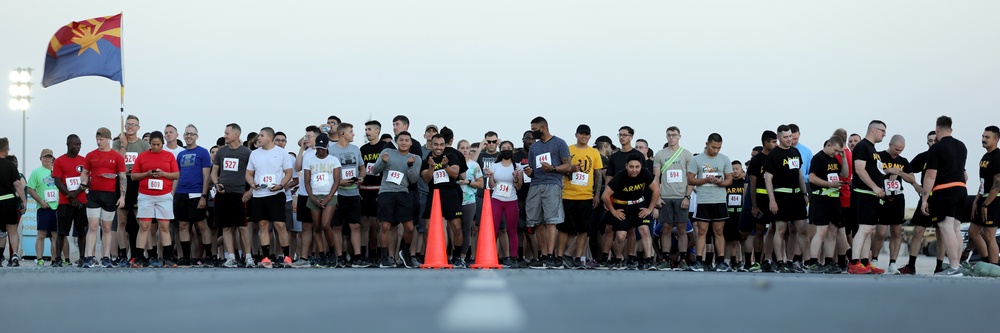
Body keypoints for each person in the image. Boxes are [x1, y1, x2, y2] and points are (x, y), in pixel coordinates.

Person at [524, 117, 577, 269]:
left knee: (551, 221)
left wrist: (553, 168)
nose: (532, 133)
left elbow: (568, 166)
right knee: (537, 221)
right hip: (535, 184)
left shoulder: (559, 143)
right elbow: (533, 170)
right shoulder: (534, 148)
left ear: (543, 128)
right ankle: (543, 255)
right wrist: (529, 172)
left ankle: (551, 256)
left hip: (552, 184)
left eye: (534, 130)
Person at [921, 116, 967, 276]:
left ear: (937, 130)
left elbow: (930, 176)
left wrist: (925, 198)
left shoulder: (936, 148)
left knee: (946, 227)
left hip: (945, 190)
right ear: (951, 129)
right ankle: (957, 265)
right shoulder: (962, 146)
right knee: (956, 228)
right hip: (961, 189)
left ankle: (954, 267)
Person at [246, 127, 295, 268]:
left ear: (269, 137)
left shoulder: (281, 153)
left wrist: (281, 185)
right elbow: (249, 173)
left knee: (280, 225)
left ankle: (287, 257)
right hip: (259, 194)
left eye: (261, 135)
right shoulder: (254, 154)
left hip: (275, 194)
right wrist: (251, 183)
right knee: (263, 225)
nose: (258, 138)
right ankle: (266, 257)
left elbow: (288, 172)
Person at [763, 125, 809, 273]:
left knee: (800, 229)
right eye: (785, 137)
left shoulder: (795, 152)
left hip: (796, 196)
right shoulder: (773, 155)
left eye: (790, 136)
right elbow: (768, 179)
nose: (789, 139)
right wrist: (772, 200)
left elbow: (799, 175)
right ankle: (780, 261)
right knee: (781, 230)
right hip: (781, 195)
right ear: (779, 138)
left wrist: (804, 193)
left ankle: (803, 261)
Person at [601, 154, 660, 270]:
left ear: (641, 166)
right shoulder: (619, 176)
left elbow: (656, 189)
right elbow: (605, 196)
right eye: (631, 167)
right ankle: (618, 259)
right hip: (622, 206)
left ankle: (648, 260)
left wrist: (650, 208)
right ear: (626, 166)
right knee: (621, 235)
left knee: (645, 229)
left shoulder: (644, 173)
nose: (634, 170)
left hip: (639, 205)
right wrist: (613, 211)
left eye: (637, 167)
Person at [372, 132, 421, 268]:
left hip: (403, 192)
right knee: (385, 226)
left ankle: (405, 254)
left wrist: (410, 166)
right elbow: (375, 170)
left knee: (410, 228)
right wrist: (383, 161)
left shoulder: (415, 158)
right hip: (386, 192)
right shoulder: (387, 151)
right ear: (396, 141)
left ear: (411, 143)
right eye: (401, 140)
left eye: (407, 140)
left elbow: (413, 179)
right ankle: (384, 258)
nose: (404, 142)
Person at [132, 131, 180, 267]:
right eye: (153, 144)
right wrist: (147, 174)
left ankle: (168, 258)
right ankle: (139, 257)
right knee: (144, 226)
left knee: (164, 227)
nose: (155, 147)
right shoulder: (142, 157)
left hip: (164, 195)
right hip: (146, 195)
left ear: (162, 144)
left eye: (158, 144)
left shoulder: (169, 156)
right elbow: (134, 176)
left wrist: (163, 174)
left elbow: (176, 174)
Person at [688, 133, 734, 272]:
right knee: (702, 232)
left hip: (719, 200)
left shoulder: (724, 159)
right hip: (703, 200)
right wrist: (706, 180)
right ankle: (699, 261)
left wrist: (721, 183)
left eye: (718, 148)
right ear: (707, 144)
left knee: (719, 232)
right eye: (713, 147)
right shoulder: (697, 159)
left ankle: (720, 261)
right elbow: (690, 180)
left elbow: (729, 179)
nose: (715, 150)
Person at [558, 125, 602, 269]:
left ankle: (578, 257)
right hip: (568, 194)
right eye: (581, 134)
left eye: (586, 135)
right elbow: (561, 170)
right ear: (576, 135)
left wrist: (597, 195)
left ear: (590, 137)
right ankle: (560, 256)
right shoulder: (568, 149)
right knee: (564, 228)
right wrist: (570, 169)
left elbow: (598, 174)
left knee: (583, 229)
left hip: (586, 196)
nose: (584, 137)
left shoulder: (594, 152)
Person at [211, 123, 255, 268]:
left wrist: (250, 191)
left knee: (242, 226)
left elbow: (253, 173)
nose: (225, 135)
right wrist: (217, 184)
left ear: (236, 135)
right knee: (226, 227)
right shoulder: (221, 152)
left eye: (227, 133)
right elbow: (214, 172)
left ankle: (248, 257)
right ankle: (231, 257)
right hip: (223, 193)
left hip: (239, 193)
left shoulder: (247, 153)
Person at [875, 135, 920, 274]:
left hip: (898, 198)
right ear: (889, 144)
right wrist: (888, 171)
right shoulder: (879, 156)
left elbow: (912, 178)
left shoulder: (903, 161)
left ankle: (892, 263)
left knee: (896, 231)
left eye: (901, 150)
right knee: (881, 232)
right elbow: (873, 173)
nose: (898, 153)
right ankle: (874, 259)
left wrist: (899, 171)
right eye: (896, 149)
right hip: (882, 197)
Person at [804, 136, 849, 273]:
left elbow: (845, 173)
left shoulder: (835, 159)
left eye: (838, 151)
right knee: (821, 231)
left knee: (833, 231)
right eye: (835, 150)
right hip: (821, 198)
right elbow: (812, 178)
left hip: (834, 199)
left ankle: (829, 262)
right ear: (829, 144)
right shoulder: (819, 158)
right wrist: (830, 184)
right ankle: (812, 262)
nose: (836, 153)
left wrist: (844, 158)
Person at [899, 131, 942, 275]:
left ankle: (939, 267)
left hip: (942, 199)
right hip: (926, 197)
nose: (932, 143)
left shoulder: (946, 156)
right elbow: (906, 171)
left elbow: (963, 175)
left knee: (941, 232)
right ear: (927, 142)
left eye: (935, 140)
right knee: (918, 231)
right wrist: (916, 185)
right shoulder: (923, 157)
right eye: (930, 140)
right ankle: (911, 266)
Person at [652, 126, 694, 270]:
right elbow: (656, 178)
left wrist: (687, 197)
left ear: (679, 136)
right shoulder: (660, 154)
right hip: (665, 197)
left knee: (682, 229)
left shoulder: (687, 154)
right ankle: (665, 258)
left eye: (674, 135)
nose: (671, 138)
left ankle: (682, 258)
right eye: (669, 135)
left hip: (681, 196)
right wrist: (657, 197)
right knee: (666, 228)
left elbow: (691, 178)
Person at [849, 120, 888, 275]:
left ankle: (865, 262)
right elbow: (859, 169)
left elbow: (876, 170)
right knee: (863, 228)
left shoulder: (873, 149)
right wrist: (874, 187)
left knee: (870, 229)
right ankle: (854, 263)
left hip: (872, 195)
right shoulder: (862, 146)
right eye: (882, 130)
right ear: (873, 129)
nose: (884, 134)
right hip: (863, 193)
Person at [420, 134, 464, 266]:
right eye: (436, 144)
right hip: (434, 194)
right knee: (428, 227)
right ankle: (431, 256)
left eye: (441, 145)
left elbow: (455, 174)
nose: (438, 147)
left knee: (456, 227)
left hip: (450, 193)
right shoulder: (426, 160)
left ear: (444, 145)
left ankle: (457, 257)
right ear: (431, 145)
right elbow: (426, 179)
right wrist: (432, 167)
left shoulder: (451, 156)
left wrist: (445, 166)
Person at [173, 125, 213, 267]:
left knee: (201, 225)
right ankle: (185, 256)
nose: (189, 136)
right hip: (181, 193)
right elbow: (177, 176)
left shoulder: (203, 153)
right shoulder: (180, 155)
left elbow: (206, 175)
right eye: (186, 134)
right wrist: (173, 194)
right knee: (183, 225)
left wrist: (203, 196)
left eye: (191, 134)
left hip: (196, 193)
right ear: (183, 136)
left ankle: (208, 256)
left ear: (196, 136)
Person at [113, 115, 150, 267]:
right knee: (121, 220)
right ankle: (122, 254)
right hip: (122, 182)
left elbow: (146, 165)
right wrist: (123, 144)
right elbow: (117, 161)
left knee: (141, 220)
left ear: (138, 127)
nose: (130, 127)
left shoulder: (143, 145)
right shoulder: (117, 142)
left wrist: (133, 169)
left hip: (137, 183)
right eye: (128, 124)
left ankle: (140, 253)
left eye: (133, 125)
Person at [329, 123, 366, 267]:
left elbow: (362, 168)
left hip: (354, 193)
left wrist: (361, 178)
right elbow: (327, 173)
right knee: (337, 226)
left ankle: (357, 256)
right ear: (343, 133)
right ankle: (340, 256)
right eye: (351, 131)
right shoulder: (331, 151)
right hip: (338, 194)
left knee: (355, 225)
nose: (354, 134)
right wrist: (338, 182)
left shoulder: (356, 149)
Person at [303, 134, 342, 266]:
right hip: (315, 195)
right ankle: (322, 255)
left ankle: (332, 252)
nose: (320, 150)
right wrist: (313, 198)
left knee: (326, 224)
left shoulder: (333, 160)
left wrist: (328, 198)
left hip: (329, 195)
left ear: (327, 148)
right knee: (317, 227)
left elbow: (337, 180)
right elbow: (307, 182)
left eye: (322, 148)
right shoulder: (310, 161)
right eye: (318, 148)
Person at [360, 120, 394, 264]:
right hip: (364, 190)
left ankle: (378, 254)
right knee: (364, 223)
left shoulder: (384, 148)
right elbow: (360, 168)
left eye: (369, 129)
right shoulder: (363, 149)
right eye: (366, 129)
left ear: (377, 131)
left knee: (377, 225)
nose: (367, 132)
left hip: (379, 190)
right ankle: (364, 254)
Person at [51, 135, 87, 267]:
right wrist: (70, 196)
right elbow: (57, 181)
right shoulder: (60, 161)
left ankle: (82, 258)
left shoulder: (84, 161)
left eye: (79, 144)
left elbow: (86, 181)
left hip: (81, 201)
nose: (77, 147)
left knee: (81, 231)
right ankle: (58, 259)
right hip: (65, 203)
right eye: (75, 144)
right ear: (68, 144)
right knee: (61, 232)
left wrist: (76, 195)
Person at [747, 130, 778, 272]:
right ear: (766, 143)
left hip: (776, 199)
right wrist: (754, 205)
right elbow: (752, 184)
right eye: (773, 141)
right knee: (759, 230)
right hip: (760, 200)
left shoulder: (777, 157)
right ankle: (757, 261)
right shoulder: (756, 160)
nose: (776, 144)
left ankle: (771, 260)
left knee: (776, 229)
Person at [970, 125, 1000, 266]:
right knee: (973, 232)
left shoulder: (998, 157)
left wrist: (986, 204)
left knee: (989, 235)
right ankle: (985, 262)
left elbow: (997, 186)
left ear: (996, 139)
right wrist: (977, 200)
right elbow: (983, 182)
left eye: (987, 137)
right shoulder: (985, 156)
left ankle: (994, 267)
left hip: (992, 200)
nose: (983, 139)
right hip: (982, 198)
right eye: (983, 136)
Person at [26, 148, 59, 265]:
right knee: (42, 234)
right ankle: (39, 258)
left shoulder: (57, 172)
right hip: (43, 207)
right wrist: (40, 201)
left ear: (53, 159)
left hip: (56, 207)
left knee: (55, 235)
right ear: (40, 159)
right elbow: (30, 189)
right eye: (45, 157)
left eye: (49, 157)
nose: (47, 159)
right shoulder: (36, 172)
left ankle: (55, 259)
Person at [457, 140, 484, 266]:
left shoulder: (474, 165)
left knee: (467, 229)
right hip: (455, 200)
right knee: (455, 229)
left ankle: (462, 257)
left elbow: (481, 184)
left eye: (467, 148)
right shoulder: (453, 164)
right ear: (458, 149)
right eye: (462, 148)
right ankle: (453, 255)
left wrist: (468, 182)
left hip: (469, 201)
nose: (465, 150)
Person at [0, 138, 27, 267]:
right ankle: (15, 254)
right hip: (9, 200)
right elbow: (18, 185)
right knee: (12, 230)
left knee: (0, 232)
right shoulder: (10, 165)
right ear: (5, 150)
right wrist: (24, 201)